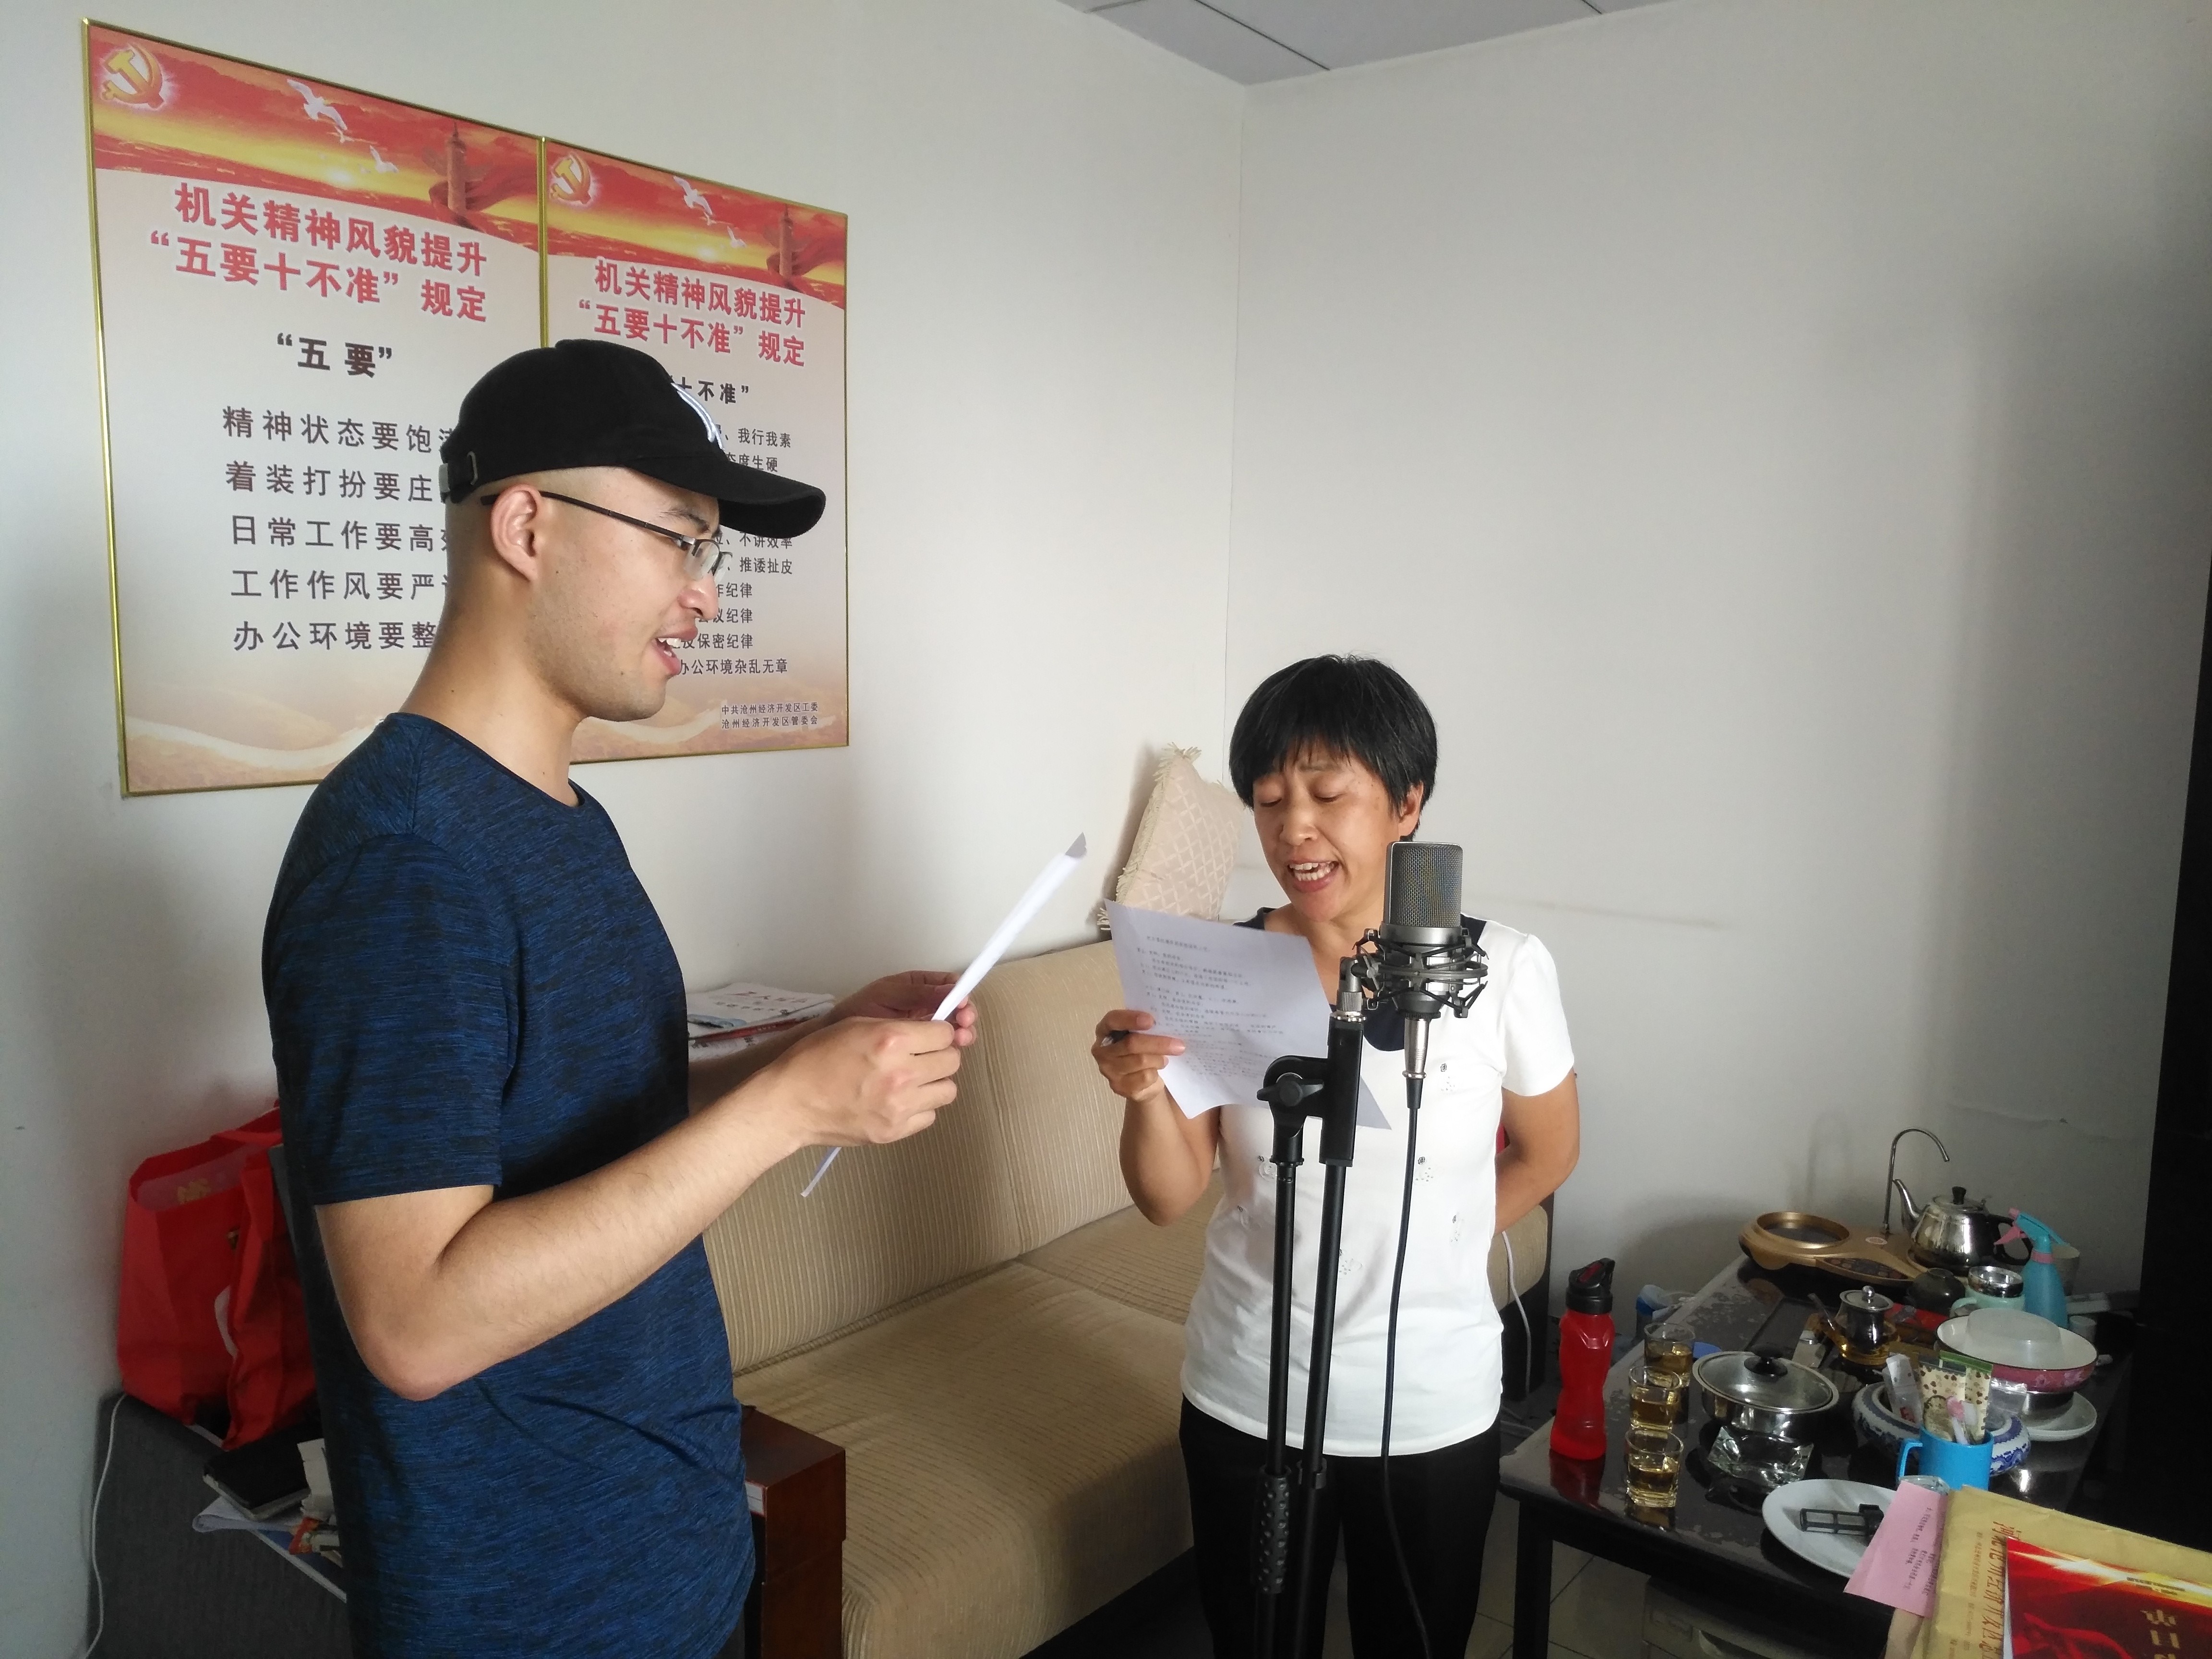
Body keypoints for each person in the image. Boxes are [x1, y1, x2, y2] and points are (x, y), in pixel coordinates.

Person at [263, 339, 972, 1659]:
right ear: (527, 527)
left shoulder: (559, 815)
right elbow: (415, 1324)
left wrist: (812, 1053)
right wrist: (785, 1114)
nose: (705, 591)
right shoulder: (402, 858)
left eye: (713, 550)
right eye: (680, 538)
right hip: (530, 1608)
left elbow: (589, 1110)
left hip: (661, 1540)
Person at [1090, 655, 1581, 1659]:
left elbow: (1548, 1152)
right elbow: (1168, 1197)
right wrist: (1142, 1095)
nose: (1293, 831)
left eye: (1326, 795)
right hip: (1247, 1389)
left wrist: (1436, 1241)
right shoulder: (1217, 968)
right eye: (1270, 801)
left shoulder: (1503, 970)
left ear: (1408, 803)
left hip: (1429, 1404)